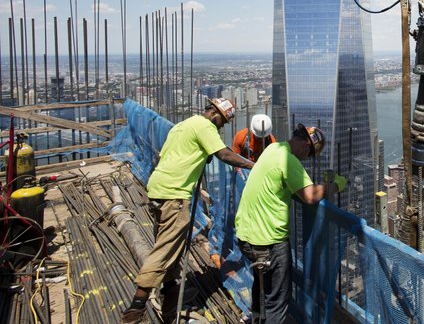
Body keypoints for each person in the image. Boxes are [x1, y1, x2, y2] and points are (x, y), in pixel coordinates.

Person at [121, 98, 255, 324]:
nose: (220, 127)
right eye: (222, 122)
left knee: (171, 249)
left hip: (158, 189)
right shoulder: (205, 126)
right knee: (164, 251)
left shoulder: (184, 125)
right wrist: (253, 166)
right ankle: (135, 310)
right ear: (215, 114)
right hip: (175, 196)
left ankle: (171, 298)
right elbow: (225, 154)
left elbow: (167, 155)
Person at [234, 123, 346, 323]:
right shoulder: (289, 160)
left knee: (262, 287)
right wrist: (334, 185)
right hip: (268, 241)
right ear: (305, 146)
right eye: (309, 154)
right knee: (277, 300)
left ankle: (257, 319)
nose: (307, 159)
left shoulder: (272, 149)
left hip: (245, 236)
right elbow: (310, 196)